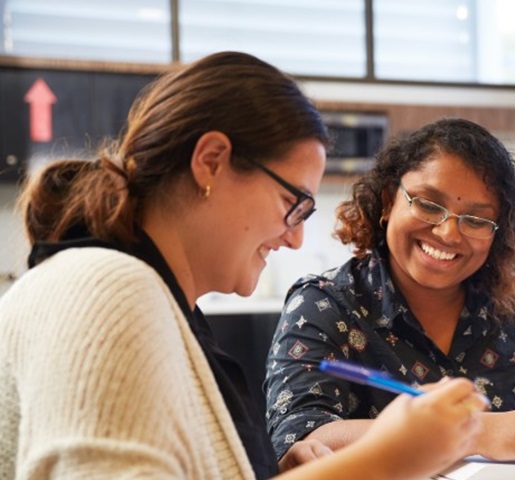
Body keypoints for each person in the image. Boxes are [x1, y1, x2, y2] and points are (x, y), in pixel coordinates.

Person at [0, 51, 487, 480]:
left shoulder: (150, 298)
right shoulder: (106, 291)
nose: (296, 237)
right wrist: (386, 459)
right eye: (293, 203)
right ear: (211, 161)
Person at [265, 118, 515, 471]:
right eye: (429, 205)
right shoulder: (324, 303)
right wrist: (479, 432)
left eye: (477, 220)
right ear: (389, 202)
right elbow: (300, 445)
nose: (449, 234)